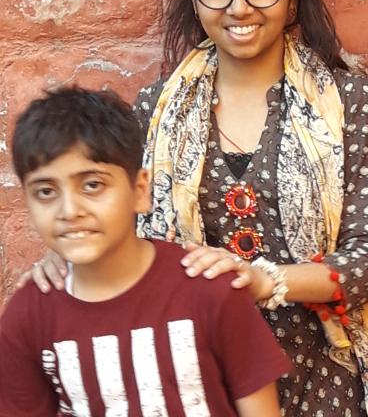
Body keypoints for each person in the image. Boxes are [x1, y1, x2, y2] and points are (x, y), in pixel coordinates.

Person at [27, 0, 368, 416]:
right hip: (200, 379)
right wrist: (62, 256)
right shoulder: (156, 111)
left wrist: (266, 281)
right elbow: (120, 225)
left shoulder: (344, 101)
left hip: (327, 376)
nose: (239, 8)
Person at [0, 87, 289, 417]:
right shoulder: (27, 317)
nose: (69, 210)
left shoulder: (211, 289)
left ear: (140, 191)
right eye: (46, 191)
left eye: (92, 185)